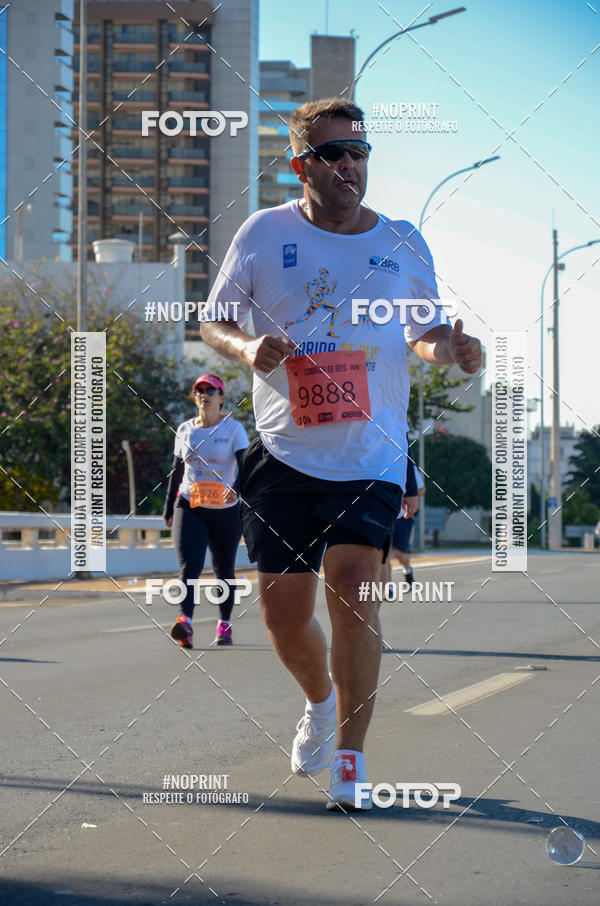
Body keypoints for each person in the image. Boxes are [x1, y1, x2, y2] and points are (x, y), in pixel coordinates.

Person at [200, 97, 481, 809]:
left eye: (358, 152)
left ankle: (350, 762)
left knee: (355, 591)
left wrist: (450, 349)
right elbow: (214, 319)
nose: (349, 164)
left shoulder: (403, 240)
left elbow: (424, 332)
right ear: (301, 165)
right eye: (332, 154)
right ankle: (320, 705)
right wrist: (246, 346)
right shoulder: (264, 235)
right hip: (286, 452)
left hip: (374, 453)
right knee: (284, 616)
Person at [163, 374, 249, 648]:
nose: (205, 394)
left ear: (221, 397)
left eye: (211, 390)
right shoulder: (185, 429)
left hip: (225, 509)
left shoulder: (233, 429)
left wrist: (236, 487)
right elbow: (176, 471)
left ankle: (224, 624)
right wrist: (168, 508)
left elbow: (246, 465)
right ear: (195, 397)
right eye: (199, 390)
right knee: (190, 566)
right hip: (190, 504)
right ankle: (184, 622)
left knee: (223, 569)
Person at [382, 457, 425, 595]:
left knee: (400, 553)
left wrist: (407, 496)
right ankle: (388, 588)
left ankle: (408, 570)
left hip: (404, 516)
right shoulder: (381, 460)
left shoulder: (407, 466)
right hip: (386, 514)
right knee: (385, 554)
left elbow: (422, 490)